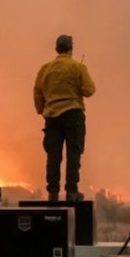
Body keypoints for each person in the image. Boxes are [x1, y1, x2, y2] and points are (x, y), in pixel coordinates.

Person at [33, 34, 96, 201]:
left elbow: (37, 92)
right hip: (73, 115)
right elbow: (89, 90)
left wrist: (42, 109)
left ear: (56, 49)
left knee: (53, 155)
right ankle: (71, 191)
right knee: (73, 153)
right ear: (71, 49)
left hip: (52, 117)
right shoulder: (78, 68)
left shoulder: (44, 69)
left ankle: (53, 192)